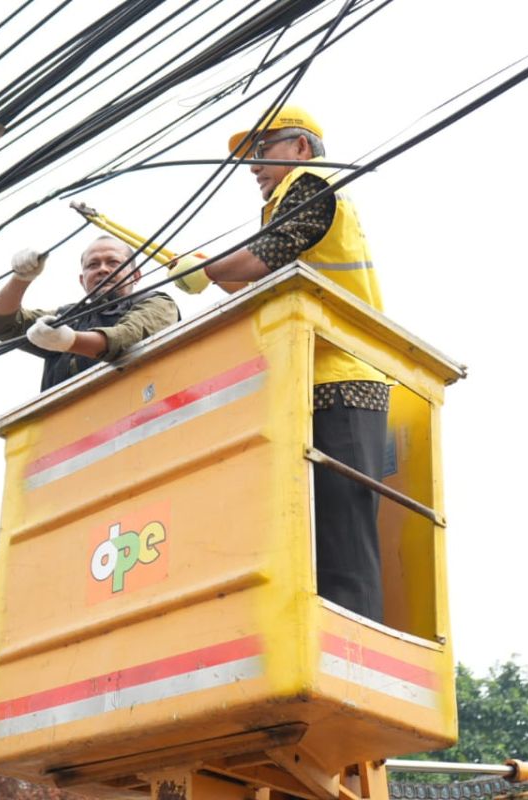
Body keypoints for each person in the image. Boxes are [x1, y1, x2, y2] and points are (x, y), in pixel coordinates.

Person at [169, 105, 389, 623]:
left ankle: (348, 647)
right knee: (306, 533)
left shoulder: (314, 184)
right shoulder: (291, 201)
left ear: (301, 148)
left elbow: (260, 258)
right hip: (310, 377)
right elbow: (257, 276)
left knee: (342, 534)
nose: (254, 166)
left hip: (345, 378)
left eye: (263, 150)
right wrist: (217, 273)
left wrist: (205, 267)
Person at [0, 235, 179, 392]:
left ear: (136, 275)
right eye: (92, 265)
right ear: (82, 279)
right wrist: (21, 278)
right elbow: (2, 323)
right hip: (65, 432)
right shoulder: (69, 317)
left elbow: (126, 338)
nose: (103, 269)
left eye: (113, 262)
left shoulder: (157, 303)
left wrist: (68, 341)